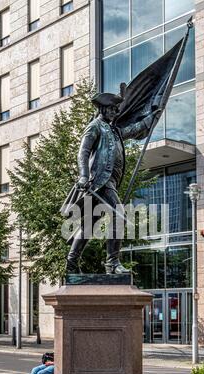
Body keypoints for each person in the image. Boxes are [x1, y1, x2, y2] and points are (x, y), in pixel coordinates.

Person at [64, 92, 161, 274]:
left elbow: (132, 130)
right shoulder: (95, 126)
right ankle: (112, 263)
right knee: (119, 216)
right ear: (103, 108)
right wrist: (84, 175)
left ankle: (71, 264)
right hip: (101, 182)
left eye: (117, 109)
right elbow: (83, 152)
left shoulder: (114, 130)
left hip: (110, 182)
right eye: (112, 108)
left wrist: (150, 119)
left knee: (89, 225)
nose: (115, 112)